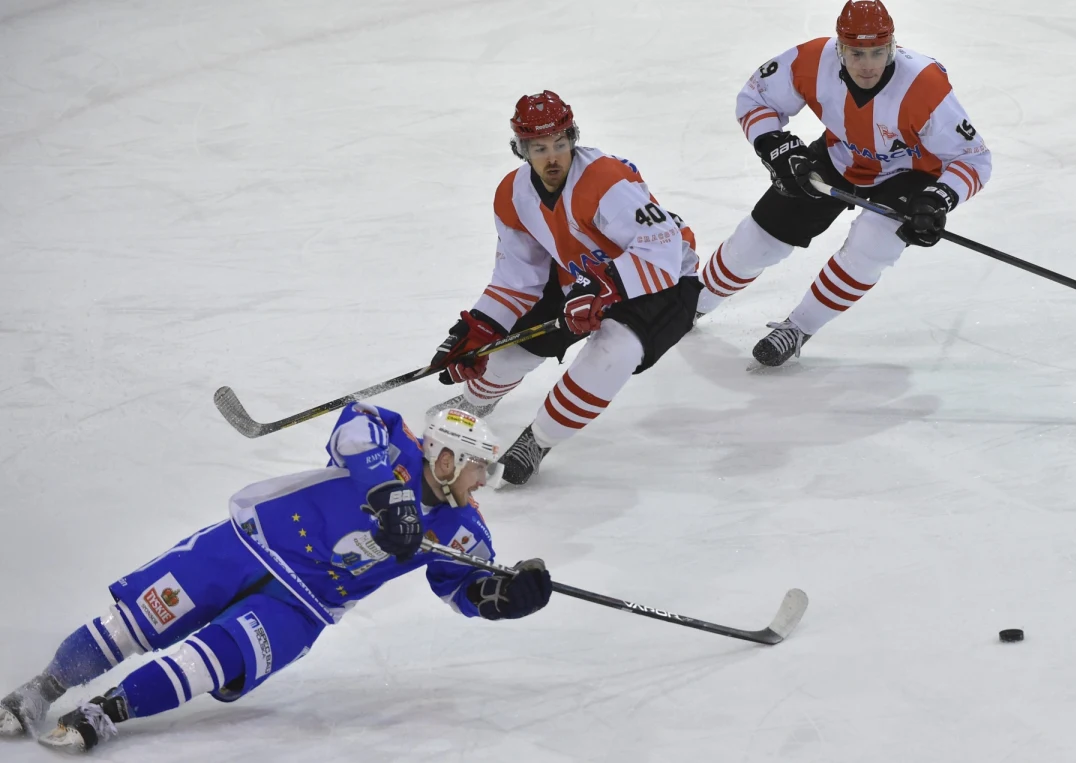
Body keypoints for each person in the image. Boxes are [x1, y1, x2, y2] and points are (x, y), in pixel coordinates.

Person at [0, 404, 552, 753]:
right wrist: (391, 494)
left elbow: (464, 589)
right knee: (136, 622)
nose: (484, 481)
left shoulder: (464, 527)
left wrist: (507, 598)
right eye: (480, 466)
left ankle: (107, 710)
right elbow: (352, 426)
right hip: (250, 542)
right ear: (449, 458)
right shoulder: (396, 440)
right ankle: (39, 690)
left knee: (211, 660)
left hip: (305, 605)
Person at [426, 90, 703, 485]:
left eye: (560, 143)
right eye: (539, 148)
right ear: (521, 149)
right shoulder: (512, 195)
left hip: (663, 282)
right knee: (509, 347)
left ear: (572, 138)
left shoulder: (605, 179)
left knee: (612, 349)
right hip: (581, 275)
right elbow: (518, 279)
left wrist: (606, 286)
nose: (552, 157)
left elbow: (664, 248)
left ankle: (538, 441)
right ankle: (475, 402)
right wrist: (479, 328)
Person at [695, 0, 992, 365]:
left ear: (892, 46)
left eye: (878, 52)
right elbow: (756, 98)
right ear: (839, 48)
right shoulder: (812, 61)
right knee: (759, 240)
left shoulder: (923, 85)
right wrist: (776, 146)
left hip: (911, 174)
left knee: (872, 243)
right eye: (856, 53)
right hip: (841, 157)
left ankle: (799, 327)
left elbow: (973, 158)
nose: (868, 65)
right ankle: (691, 303)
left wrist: (937, 199)